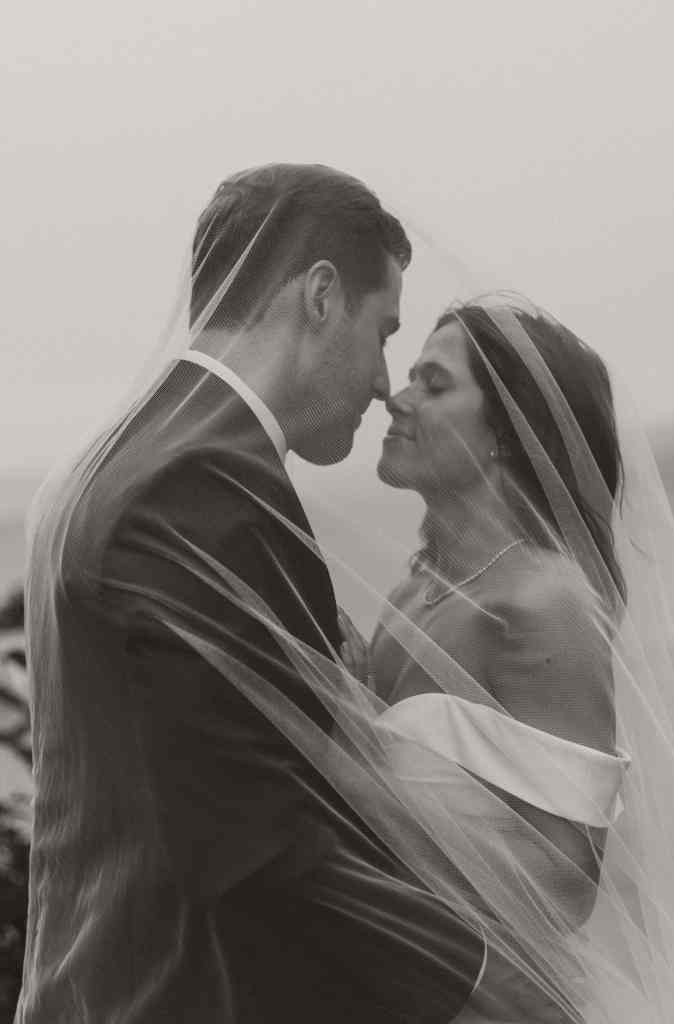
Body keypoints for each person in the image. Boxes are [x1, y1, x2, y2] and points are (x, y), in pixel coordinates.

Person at [16, 165, 509, 1024]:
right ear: (320, 297)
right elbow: (261, 844)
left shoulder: (109, 458)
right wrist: (497, 989)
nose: (384, 382)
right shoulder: (202, 485)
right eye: (383, 331)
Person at [334, 295, 674, 1021]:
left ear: (505, 434)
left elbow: (563, 886)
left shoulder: (543, 604)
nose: (395, 400)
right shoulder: (413, 589)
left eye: (434, 385)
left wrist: (358, 765)